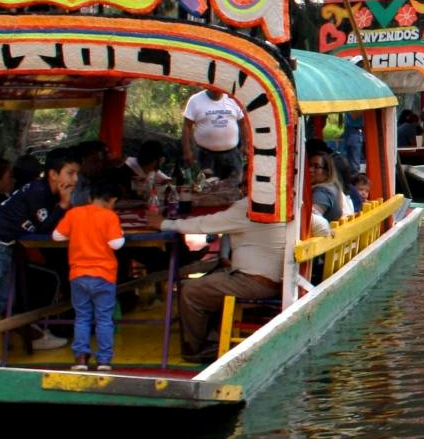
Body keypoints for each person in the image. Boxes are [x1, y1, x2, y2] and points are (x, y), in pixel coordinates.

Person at [0, 149, 80, 367]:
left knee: (0, 300)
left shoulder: (49, 194)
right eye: (70, 173)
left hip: (3, 246)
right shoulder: (38, 192)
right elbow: (44, 230)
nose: (75, 179)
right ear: (53, 174)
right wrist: (63, 205)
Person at [155, 193, 285, 363]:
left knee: (190, 291)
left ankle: (198, 348)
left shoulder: (248, 207)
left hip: (253, 282)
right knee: (212, 281)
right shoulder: (285, 202)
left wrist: (165, 224)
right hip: (276, 281)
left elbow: (205, 224)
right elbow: (319, 223)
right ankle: (213, 336)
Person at [53, 173, 126, 370]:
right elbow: (116, 244)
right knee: (104, 318)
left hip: (78, 275)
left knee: (82, 317)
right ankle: (104, 360)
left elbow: (57, 236)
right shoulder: (110, 216)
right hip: (104, 276)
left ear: (89, 197)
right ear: (112, 201)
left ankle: (81, 359)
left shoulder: (74, 213)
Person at [181, 83, 246, 178]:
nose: (215, 87)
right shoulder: (195, 100)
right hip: (205, 156)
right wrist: (187, 151)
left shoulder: (233, 99)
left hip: (232, 155)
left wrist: (245, 145)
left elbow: (243, 123)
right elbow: (187, 126)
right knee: (207, 188)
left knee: (233, 187)